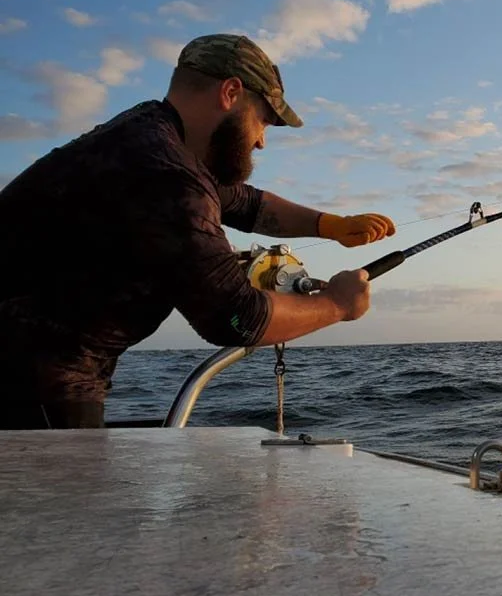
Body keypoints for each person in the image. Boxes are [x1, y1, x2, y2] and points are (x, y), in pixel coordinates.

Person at [0, 33, 396, 430]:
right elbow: (235, 317)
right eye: (263, 120)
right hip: (33, 380)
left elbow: (240, 201)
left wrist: (330, 225)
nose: (261, 141)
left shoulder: (147, 132)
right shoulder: (166, 174)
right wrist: (337, 304)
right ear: (230, 93)